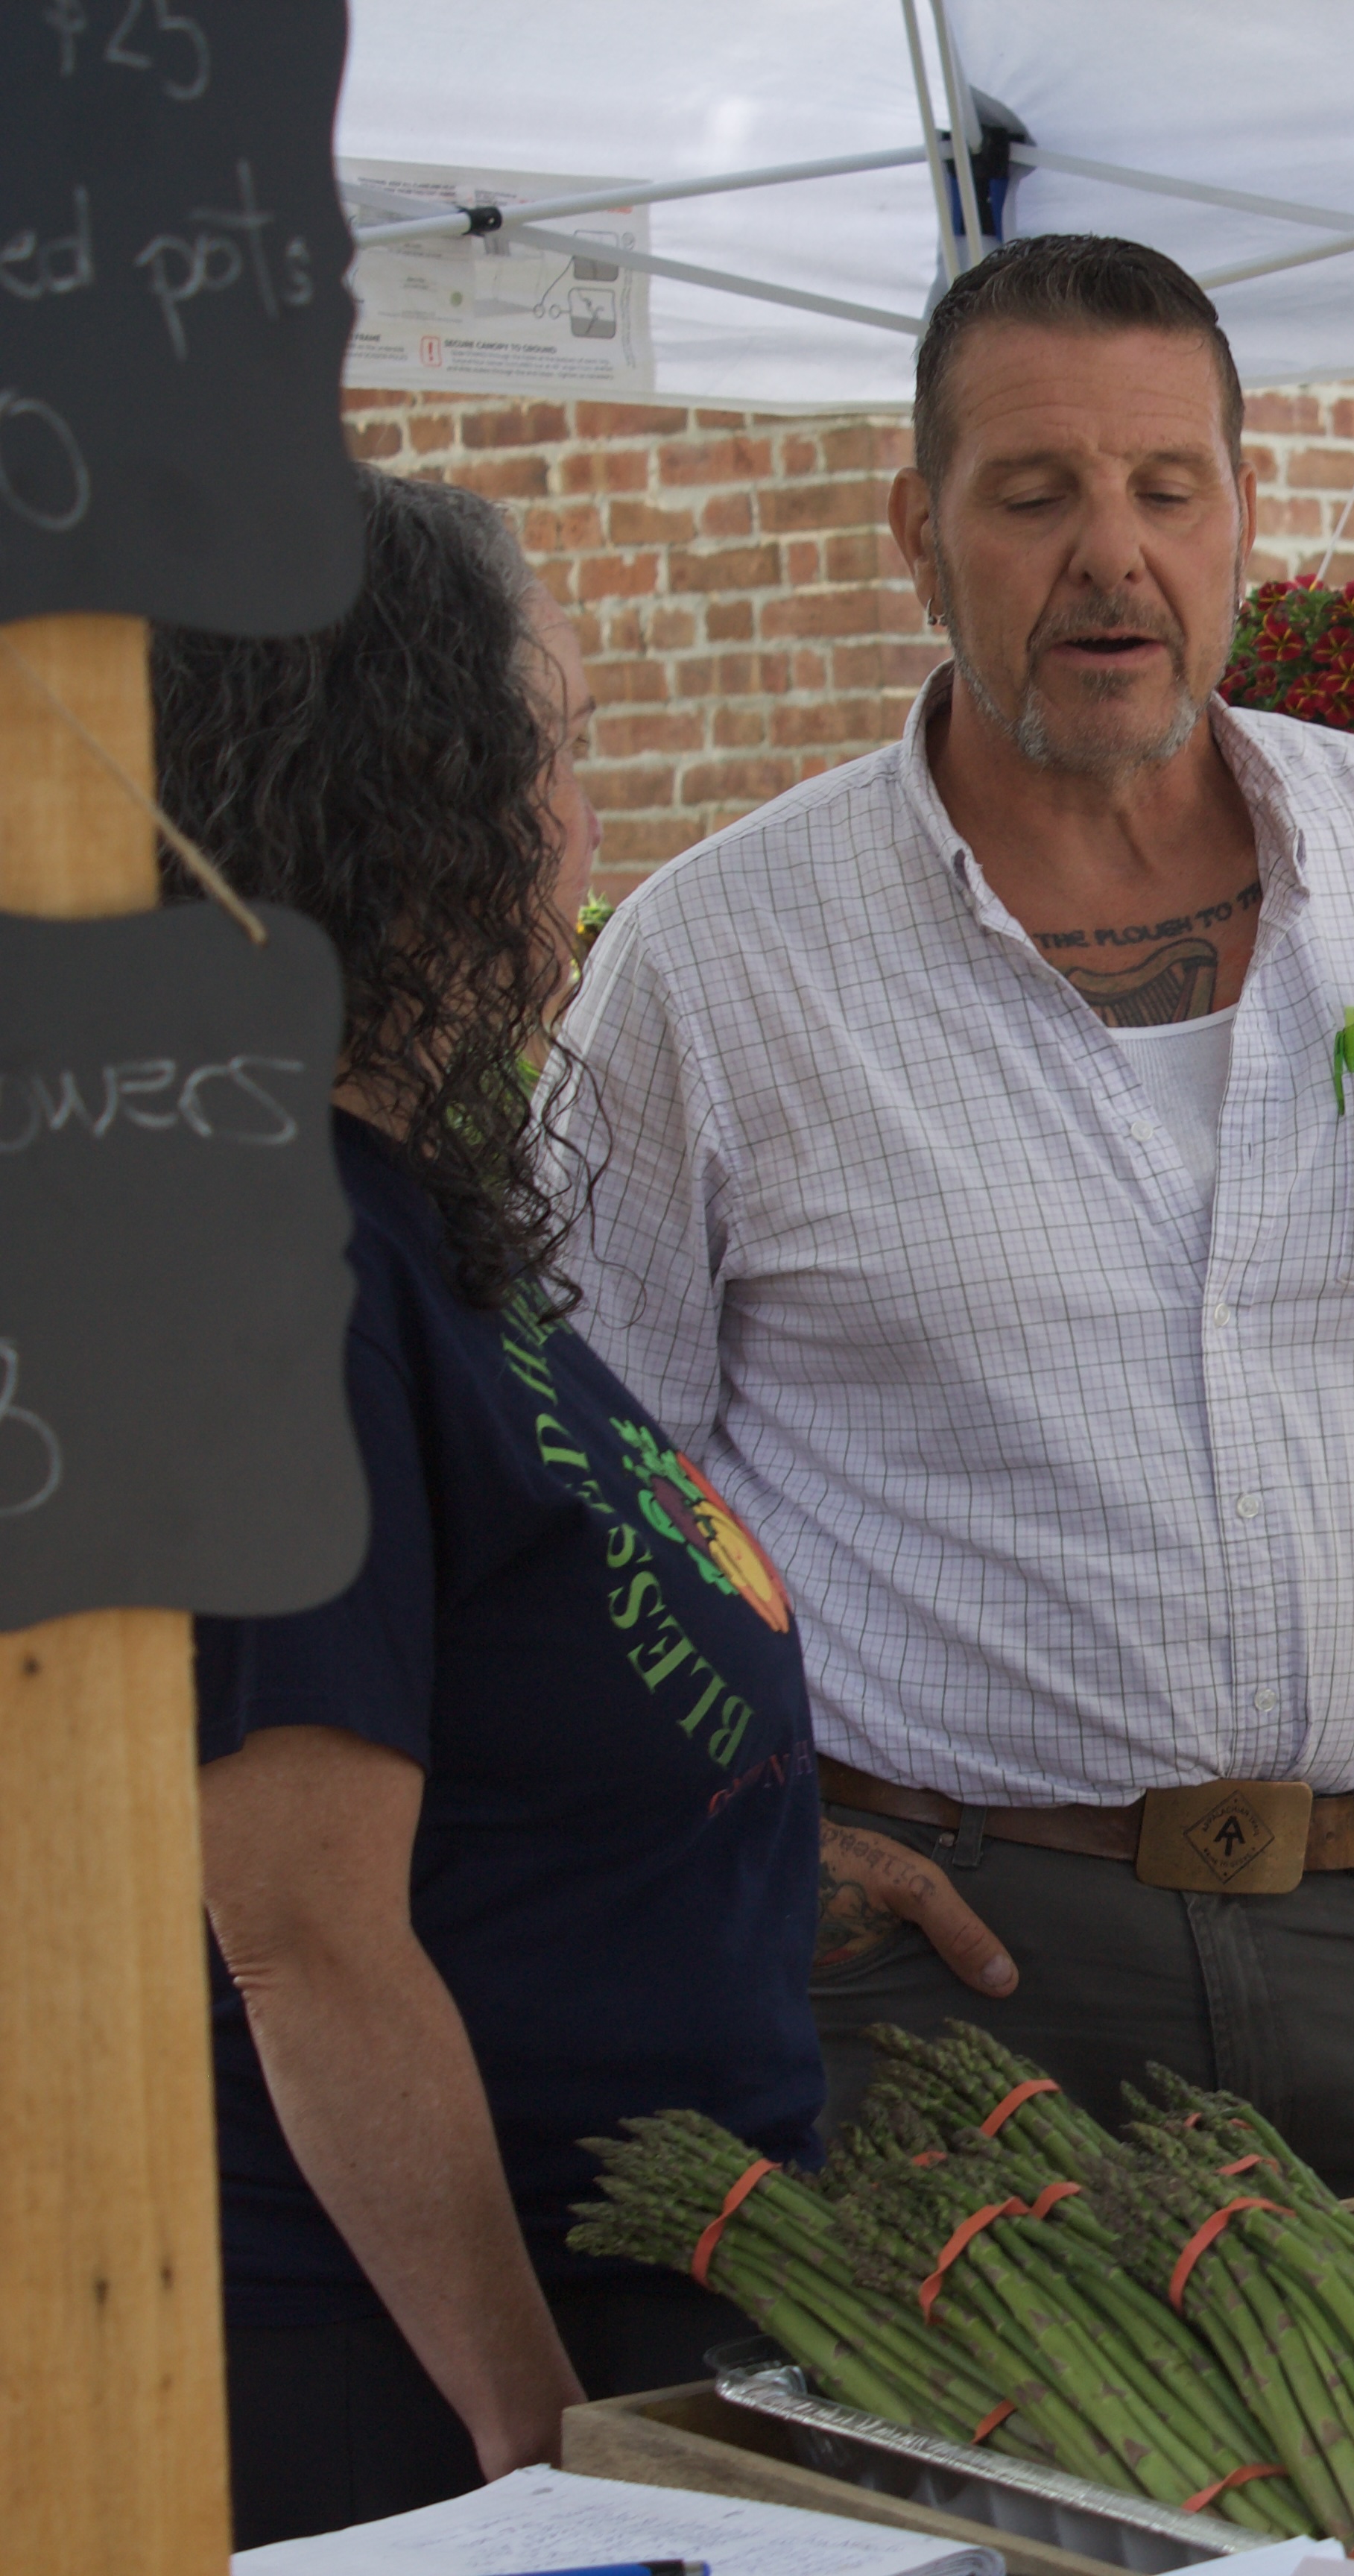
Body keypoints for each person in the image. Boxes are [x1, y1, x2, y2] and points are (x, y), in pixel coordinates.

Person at [549, 235, 1354, 2177]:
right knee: (955, 2496)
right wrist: (760, 1837)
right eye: (1034, 494)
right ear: (921, 530)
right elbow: (578, 1474)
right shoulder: (712, 968)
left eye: (1170, 490)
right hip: (946, 1981)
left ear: (1244, 513)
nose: (1113, 554)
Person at [160, 467, 825, 2545]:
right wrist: (546, 2445)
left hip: (622, 2286)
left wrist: (740, 1826)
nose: (579, 827)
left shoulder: (395, 1215)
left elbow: (499, 1690)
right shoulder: (276, 1265)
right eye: (563, 754)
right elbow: (304, 1937)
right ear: (421, 790)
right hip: (411, 2388)